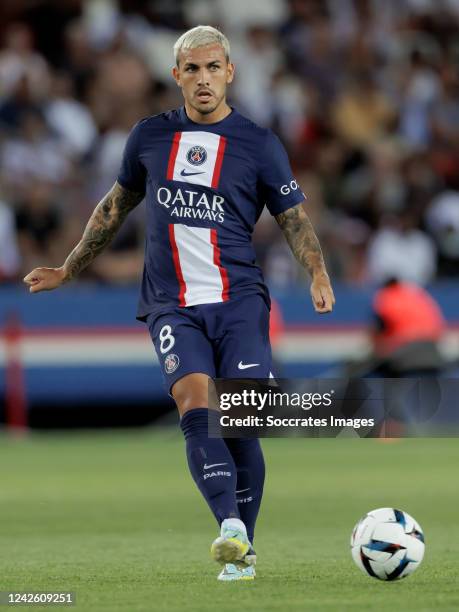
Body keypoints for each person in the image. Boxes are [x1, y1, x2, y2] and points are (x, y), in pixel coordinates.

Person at [24, 25, 335, 581]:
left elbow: (295, 220)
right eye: (192, 69)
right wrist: (69, 267)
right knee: (196, 404)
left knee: (239, 424)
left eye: (213, 67)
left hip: (238, 300)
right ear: (177, 77)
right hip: (172, 305)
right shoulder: (148, 137)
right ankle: (230, 529)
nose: (203, 79)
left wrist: (317, 273)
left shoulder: (260, 144)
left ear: (230, 72)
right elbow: (113, 208)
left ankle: (245, 552)